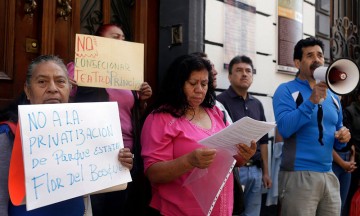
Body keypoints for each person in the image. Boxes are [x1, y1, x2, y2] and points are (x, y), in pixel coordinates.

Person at [0, 55, 133, 215]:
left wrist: (118, 163)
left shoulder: (85, 130)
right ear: (28, 91)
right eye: (42, 82)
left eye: (60, 81)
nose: (52, 88)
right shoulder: (8, 135)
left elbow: (92, 182)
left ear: (70, 89)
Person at [141, 54, 257, 215]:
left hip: (223, 208)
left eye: (204, 84)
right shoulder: (161, 118)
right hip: (180, 210)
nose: (199, 90)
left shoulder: (215, 111)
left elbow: (229, 159)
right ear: (177, 83)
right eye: (193, 83)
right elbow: (153, 172)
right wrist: (189, 160)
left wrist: (243, 156)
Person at [68, 23, 152, 216]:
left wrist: (142, 100)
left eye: (123, 38)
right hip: (95, 151)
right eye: (115, 37)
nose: (121, 41)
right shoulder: (80, 66)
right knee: (94, 207)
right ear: (98, 42)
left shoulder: (127, 75)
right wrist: (67, 82)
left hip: (125, 154)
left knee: (119, 206)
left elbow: (129, 112)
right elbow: (65, 98)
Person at [272, 37, 351, 215]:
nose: (317, 59)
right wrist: (311, 101)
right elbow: (284, 128)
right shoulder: (285, 90)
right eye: (310, 55)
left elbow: (338, 138)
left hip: (329, 174)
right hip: (298, 175)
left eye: (320, 55)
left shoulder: (333, 96)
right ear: (297, 62)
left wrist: (343, 137)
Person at [217, 55, 272, 216]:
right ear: (229, 76)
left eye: (248, 71)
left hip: (255, 170)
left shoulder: (257, 104)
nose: (244, 74)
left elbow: (263, 141)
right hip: (233, 170)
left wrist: (266, 172)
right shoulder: (219, 102)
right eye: (239, 70)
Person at [341, 87, 360, 216]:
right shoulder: (349, 111)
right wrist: (353, 157)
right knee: (349, 196)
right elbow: (349, 140)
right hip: (354, 161)